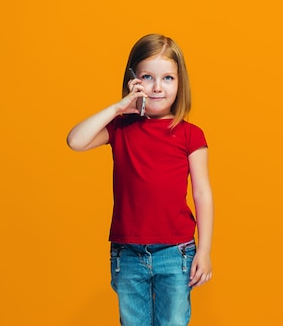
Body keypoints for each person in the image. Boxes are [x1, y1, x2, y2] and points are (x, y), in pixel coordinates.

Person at [66, 34, 214, 326]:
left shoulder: (190, 134)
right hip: (128, 253)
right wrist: (119, 108)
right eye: (148, 77)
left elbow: (202, 193)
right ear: (134, 80)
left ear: (180, 82)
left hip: (176, 252)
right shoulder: (121, 127)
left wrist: (205, 250)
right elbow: (75, 141)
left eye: (168, 78)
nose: (158, 87)